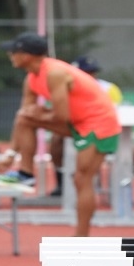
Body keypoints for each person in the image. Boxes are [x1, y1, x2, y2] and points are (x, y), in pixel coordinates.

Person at [0, 32, 121, 237]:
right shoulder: (31, 78)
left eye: (14, 52)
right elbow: (23, 119)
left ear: (27, 55)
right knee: (25, 117)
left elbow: (61, 116)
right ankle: (25, 174)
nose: (10, 55)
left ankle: (81, 237)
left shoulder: (55, 73)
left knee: (82, 179)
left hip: (99, 123)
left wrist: (41, 113)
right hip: (76, 122)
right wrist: (10, 153)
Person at [47, 55, 123, 197]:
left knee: (133, 151)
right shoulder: (64, 86)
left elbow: (113, 112)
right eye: (85, 72)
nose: (90, 75)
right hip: (76, 128)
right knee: (56, 140)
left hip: (100, 130)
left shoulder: (109, 88)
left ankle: (122, 188)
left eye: (92, 72)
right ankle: (61, 178)